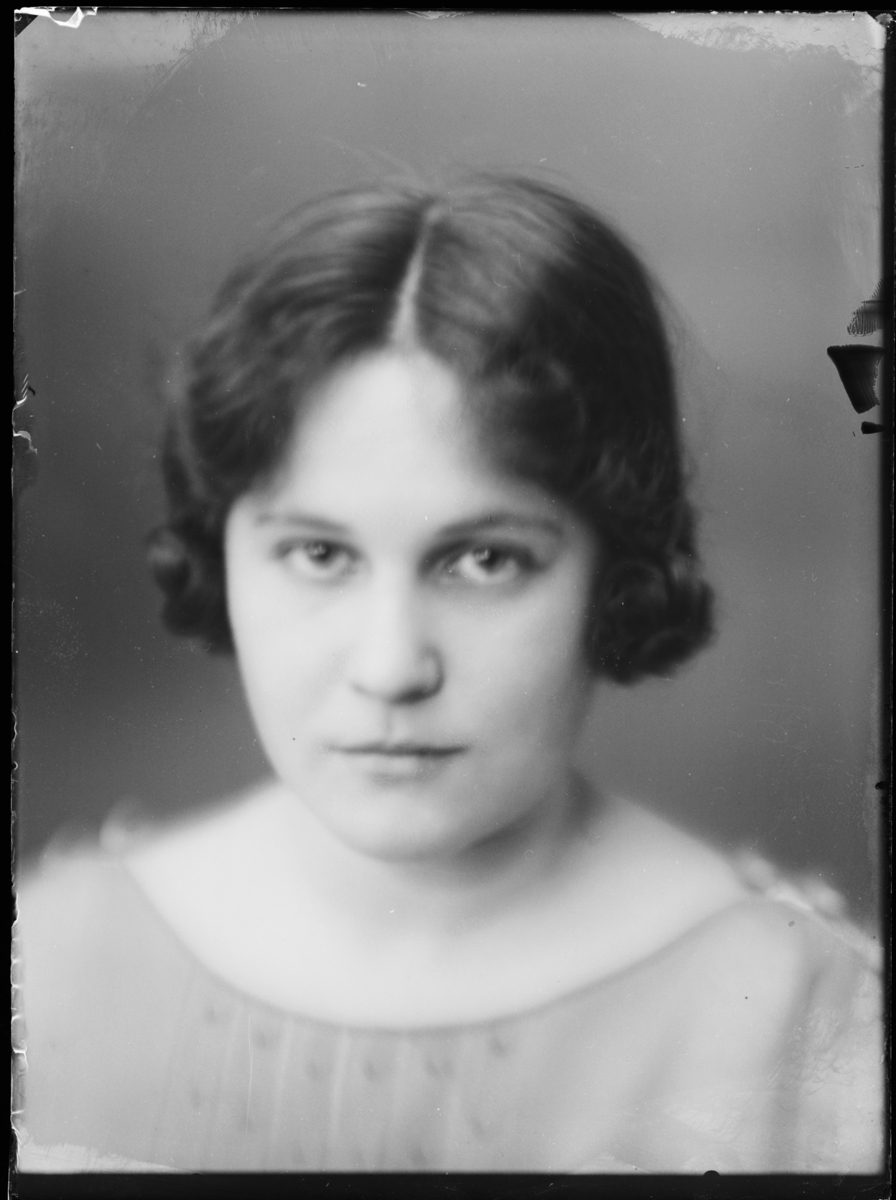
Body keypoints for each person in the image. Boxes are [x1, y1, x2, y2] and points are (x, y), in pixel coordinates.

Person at [14, 174, 882, 1174]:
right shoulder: (49, 963)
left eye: (484, 559)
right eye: (318, 554)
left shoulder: (804, 1023)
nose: (391, 667)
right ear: (224, 552)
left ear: (615, 572)